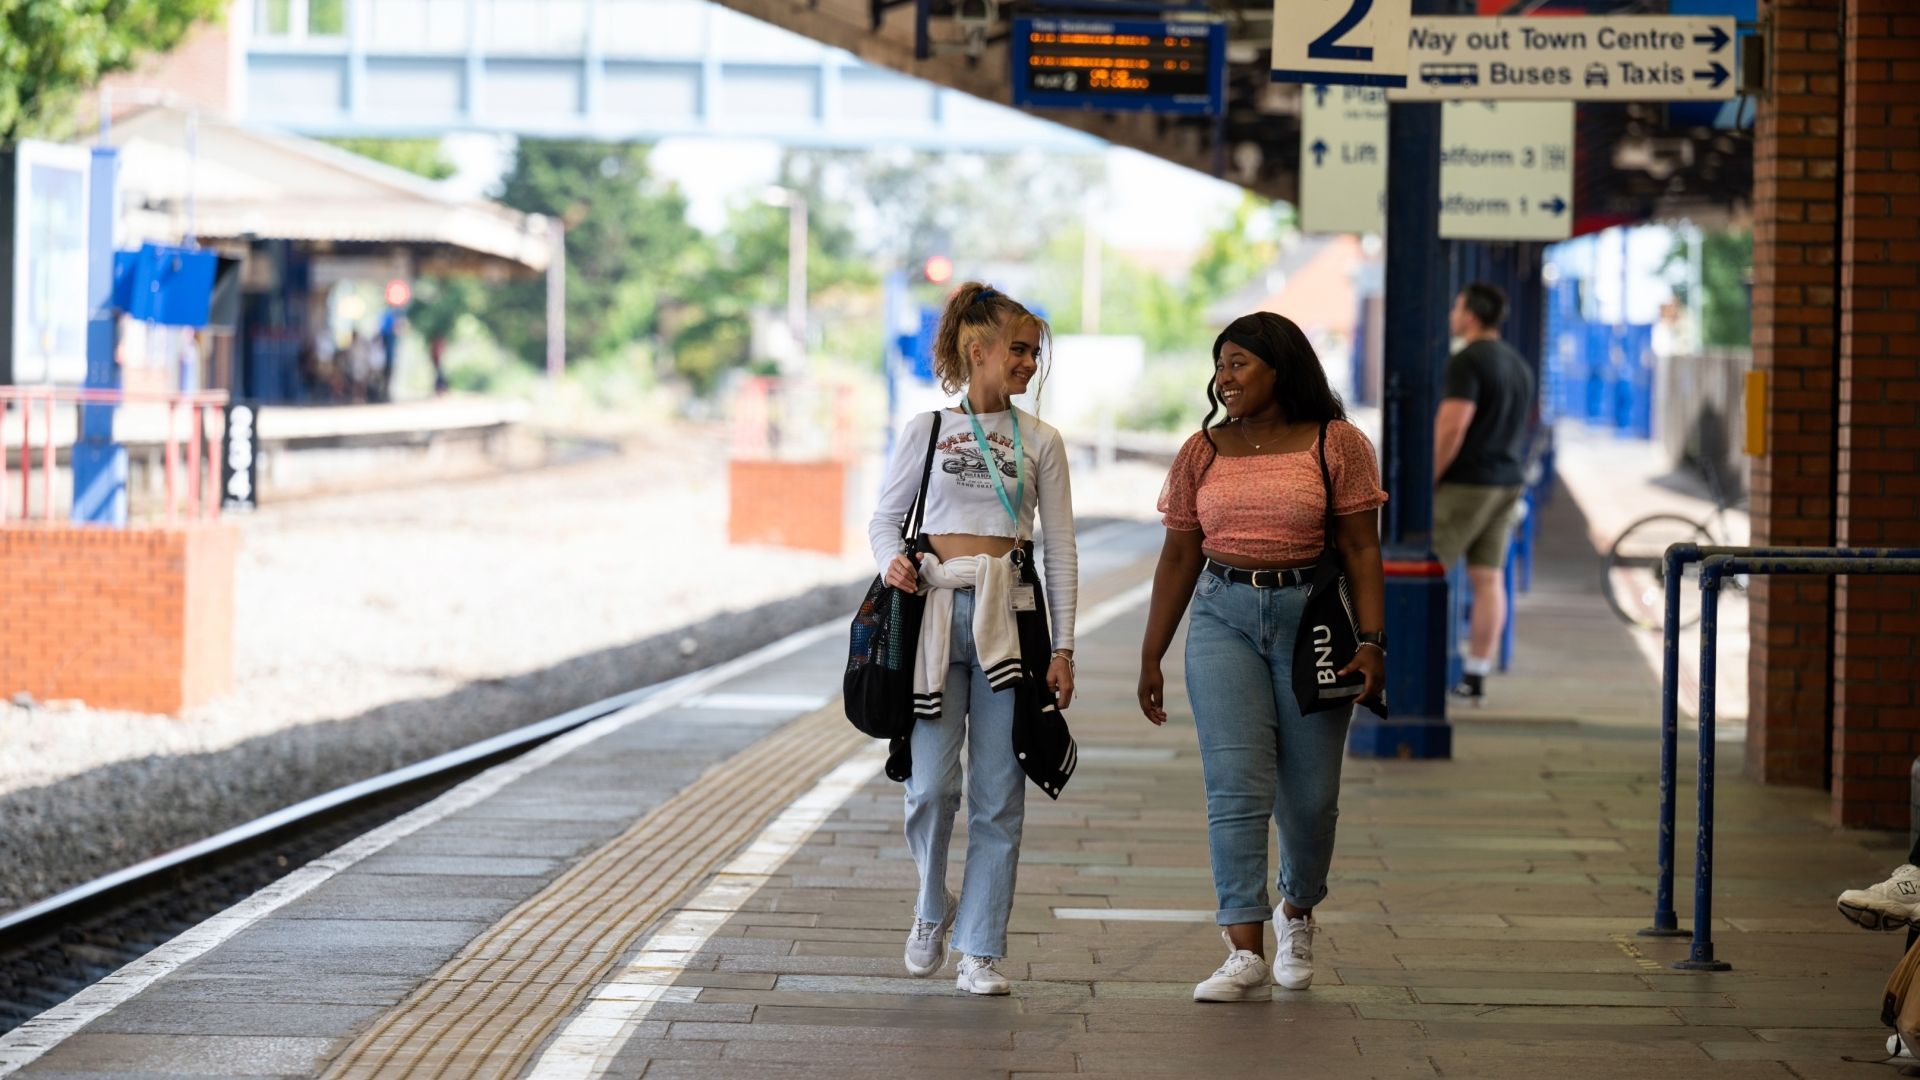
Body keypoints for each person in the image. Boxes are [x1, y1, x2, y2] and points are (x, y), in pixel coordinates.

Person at [1137, 311, 1387, 1003]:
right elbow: (1180, 553)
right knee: (1235, 788)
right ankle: (1243, 947)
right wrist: (1151, 653)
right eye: (1220, 363)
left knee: (1310, 801)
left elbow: (1363, 549)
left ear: (1282, 367)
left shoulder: (1337, 445)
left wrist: (1373, 642)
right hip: (1222, 618)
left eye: (1240, 362)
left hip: (1314, 625)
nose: (1225, 376)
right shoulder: (1202, 451)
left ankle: (1297, 910)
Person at [867, 282, 1079, 997]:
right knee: (930, 787)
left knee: (998, 793)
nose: (1028, 362)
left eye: (1034, 352)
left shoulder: (1042, 442)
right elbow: (883, 520)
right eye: (1018, 350)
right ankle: (933, 906)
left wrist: (1065, 648)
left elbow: (1061, 552)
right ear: (977, 350)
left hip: (1009, 622)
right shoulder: (925, 431)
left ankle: (981, 948)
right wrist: (889, 559)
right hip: (931, 613)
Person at [1432, 282, 1536, 705]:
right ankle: (1475, 676)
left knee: (1424, 572)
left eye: (1456, 307)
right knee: (1489, 578)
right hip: (1506, 483)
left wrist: (1429, 478)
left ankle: (1412, 668)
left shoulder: (1467, 361)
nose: (1453, 315)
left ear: (1470, 315)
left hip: (1466, 484)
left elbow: (1453, 426)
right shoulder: (1517, 364)